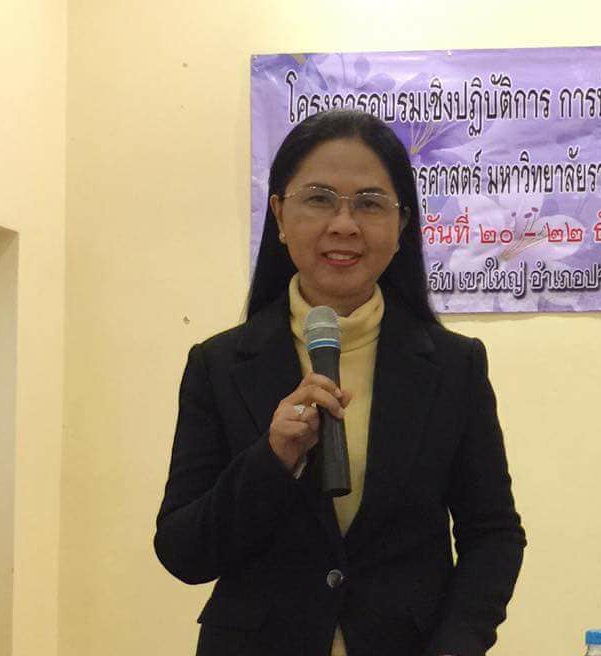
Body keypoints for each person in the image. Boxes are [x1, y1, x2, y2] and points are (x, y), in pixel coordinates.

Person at [154, 109, 526, 656]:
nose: (344, 224)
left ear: (401, 225)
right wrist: (272, 458)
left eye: (370, 203)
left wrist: (454, 647)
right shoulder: (219, 364)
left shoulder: (454, 366)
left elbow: (493, 534)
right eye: (319, 199)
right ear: (279, 216)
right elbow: (183, 551)